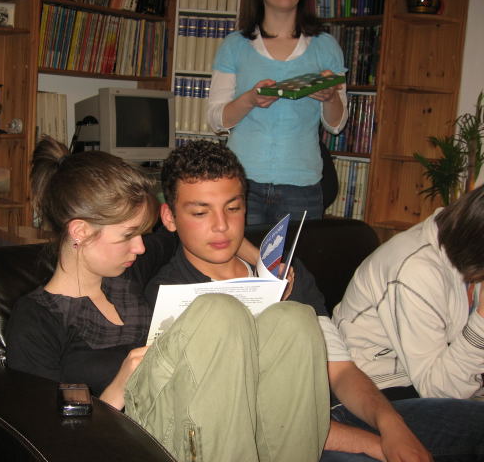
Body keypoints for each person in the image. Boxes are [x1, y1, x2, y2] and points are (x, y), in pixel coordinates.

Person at [146, 140, 484, 461]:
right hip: (271, 439)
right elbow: (230, 423)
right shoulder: (170, 297)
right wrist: (373, 444)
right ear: (170, 218)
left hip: (324, 418)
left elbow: (339, 370)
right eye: (200, 213)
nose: (221, 226)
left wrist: (391, 424)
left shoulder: (286, 273)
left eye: (233, 208)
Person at [6, 138, 331, 461]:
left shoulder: (131, 271)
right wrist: (118, 388)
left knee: (294, 320)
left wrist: (264, 265)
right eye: (128, 235)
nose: (140, 247)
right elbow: (46, 439)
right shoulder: (36, 319)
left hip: (191, 411)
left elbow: (205, 232)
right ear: (79, 232)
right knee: (219, 311)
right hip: (125, 437)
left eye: (141, 233)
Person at [207, 0, 347, 225]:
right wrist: (249, 99)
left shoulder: (326, 46)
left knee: (296, 252)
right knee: (242, 252)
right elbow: (215, 120)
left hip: (302, 187)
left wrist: (330, 96)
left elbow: (337, 124)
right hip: (241, 183)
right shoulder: (235, 45)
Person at [333, 186, 484, 401]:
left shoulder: (458, 241)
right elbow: (438, 393)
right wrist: (481, 320)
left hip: (433, 379)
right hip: (378, 387)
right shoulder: (415, 271)